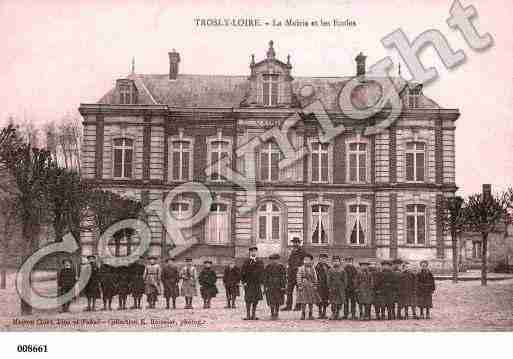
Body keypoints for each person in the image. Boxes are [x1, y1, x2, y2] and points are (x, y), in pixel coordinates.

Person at [240, 246, 265, 320]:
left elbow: (262, 272)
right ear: (250, 252)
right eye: (252, 251)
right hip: (249, 283)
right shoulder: (246, 261)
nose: (253, 252)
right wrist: (243, 282)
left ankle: (253, 314)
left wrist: (262, 282)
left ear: (256, 252)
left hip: (256, 283)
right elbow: (242, 272)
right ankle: (248, 315)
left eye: (255, 251)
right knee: (248, 299)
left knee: (256, 299)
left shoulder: (260, 261)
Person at [282, 237, 306, 311]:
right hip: (291, 274)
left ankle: (298, 306)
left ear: (299, 243)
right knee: (289, 291)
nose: (295, 244)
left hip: (298, 274)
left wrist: (300, 271)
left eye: (296, 242)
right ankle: (288, 306)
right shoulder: (291, 251)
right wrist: (288, 269)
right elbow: (289, 262)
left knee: (299, 291)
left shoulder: (302, 252)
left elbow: (303, 263)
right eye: (294, 242)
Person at [296, 253, 320, 320]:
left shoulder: (313, 268)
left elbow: (315, 277)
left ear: (311, 261)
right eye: (305, 260)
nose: (306, 261)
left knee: (311, 301)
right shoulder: (300, 268)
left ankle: (310, 314)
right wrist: (299, 285)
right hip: (303, 286)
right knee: (303, 301)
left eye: (308, 260)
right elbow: (298, 277)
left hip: (311, 286)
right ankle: (303, 314)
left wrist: (315, 285)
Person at [263, 253, 287, 320]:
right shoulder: (268, 267)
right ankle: (272, 313)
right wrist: (265, 286)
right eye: (272, 260)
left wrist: (283, 286)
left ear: (278, 260)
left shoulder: (281, 266)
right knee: (271, 300)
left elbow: (283, 276)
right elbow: (265, 277)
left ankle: (276, 313)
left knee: (278, 300)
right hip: (270, 285)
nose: (274, 261)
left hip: (278, 285)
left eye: (275, 260)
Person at [327, 256, 347, 320]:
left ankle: (338, 313)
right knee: (333, 302)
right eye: (334, 261)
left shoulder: (342, 270)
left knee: (339, 302)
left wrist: (344, 287)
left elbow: (345, 280)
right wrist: (329, 287)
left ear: (339, 262)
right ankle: (333, 313)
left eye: (337, 261)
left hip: (340, 288)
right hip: (333, 288)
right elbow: (328, 279)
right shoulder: (330, 270)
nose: (336, 263)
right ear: (332, 262)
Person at [315, 253, 331, 319]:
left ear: (326, 260)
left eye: (324, 259)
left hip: (326, 286)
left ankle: (324, 313)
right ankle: (319, 312)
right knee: (319, 299)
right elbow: (315, 276)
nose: (323, 260)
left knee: (325, 299)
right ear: (319, 259)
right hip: (319, 285)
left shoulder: (328, 267)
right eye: (321, 259)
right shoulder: (317, 267)